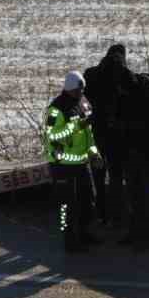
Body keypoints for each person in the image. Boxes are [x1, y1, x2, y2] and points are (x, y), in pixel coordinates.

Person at [44, 70, 100, 252]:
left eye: (82, 90)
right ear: (69, 88)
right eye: (77, 90)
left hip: (82, 162)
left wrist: (94, 152)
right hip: (62, 165)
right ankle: (69, 241)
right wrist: (75, 126)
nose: (80, 93)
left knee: (87, 200)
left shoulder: (83, 102)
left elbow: (88, 134)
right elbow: (52, 135)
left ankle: (84, 233)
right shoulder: (56, 109)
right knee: (66, 206)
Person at [116, 69, 149, 249]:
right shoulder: (144, 93)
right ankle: (139, 233)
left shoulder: (146, 97)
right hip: (140, 151)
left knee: (143, 196)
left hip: (145, 151)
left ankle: (145, 236)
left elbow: (147, 126)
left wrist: (123, 123)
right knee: (139, 195)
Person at [83, 43, 129, 228]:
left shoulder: (91, 74)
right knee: (117, 176)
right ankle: (117, 216)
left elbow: (85, 98)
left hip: (96, 132)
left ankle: (101, 214)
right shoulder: (123, 75)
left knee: (98, 176)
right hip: (116, 134)